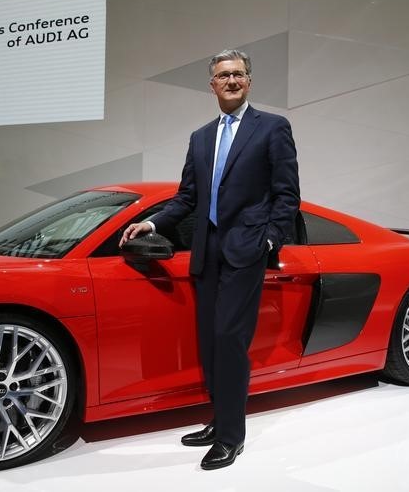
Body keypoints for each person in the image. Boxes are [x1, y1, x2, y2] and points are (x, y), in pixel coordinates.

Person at [120, 49, 300, 470]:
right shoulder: (201, 137)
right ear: (212, 85)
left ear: (249, 81)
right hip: (207, 253)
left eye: (239, 74)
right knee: (209, 344)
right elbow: (187, 198)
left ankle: (231, 437)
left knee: (230, 342)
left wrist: (270, 240)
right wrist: (153, 224)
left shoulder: (273, 128)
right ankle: (218, 421)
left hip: (246, 250)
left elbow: (287, 193)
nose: (232, 81)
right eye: (224, 75)